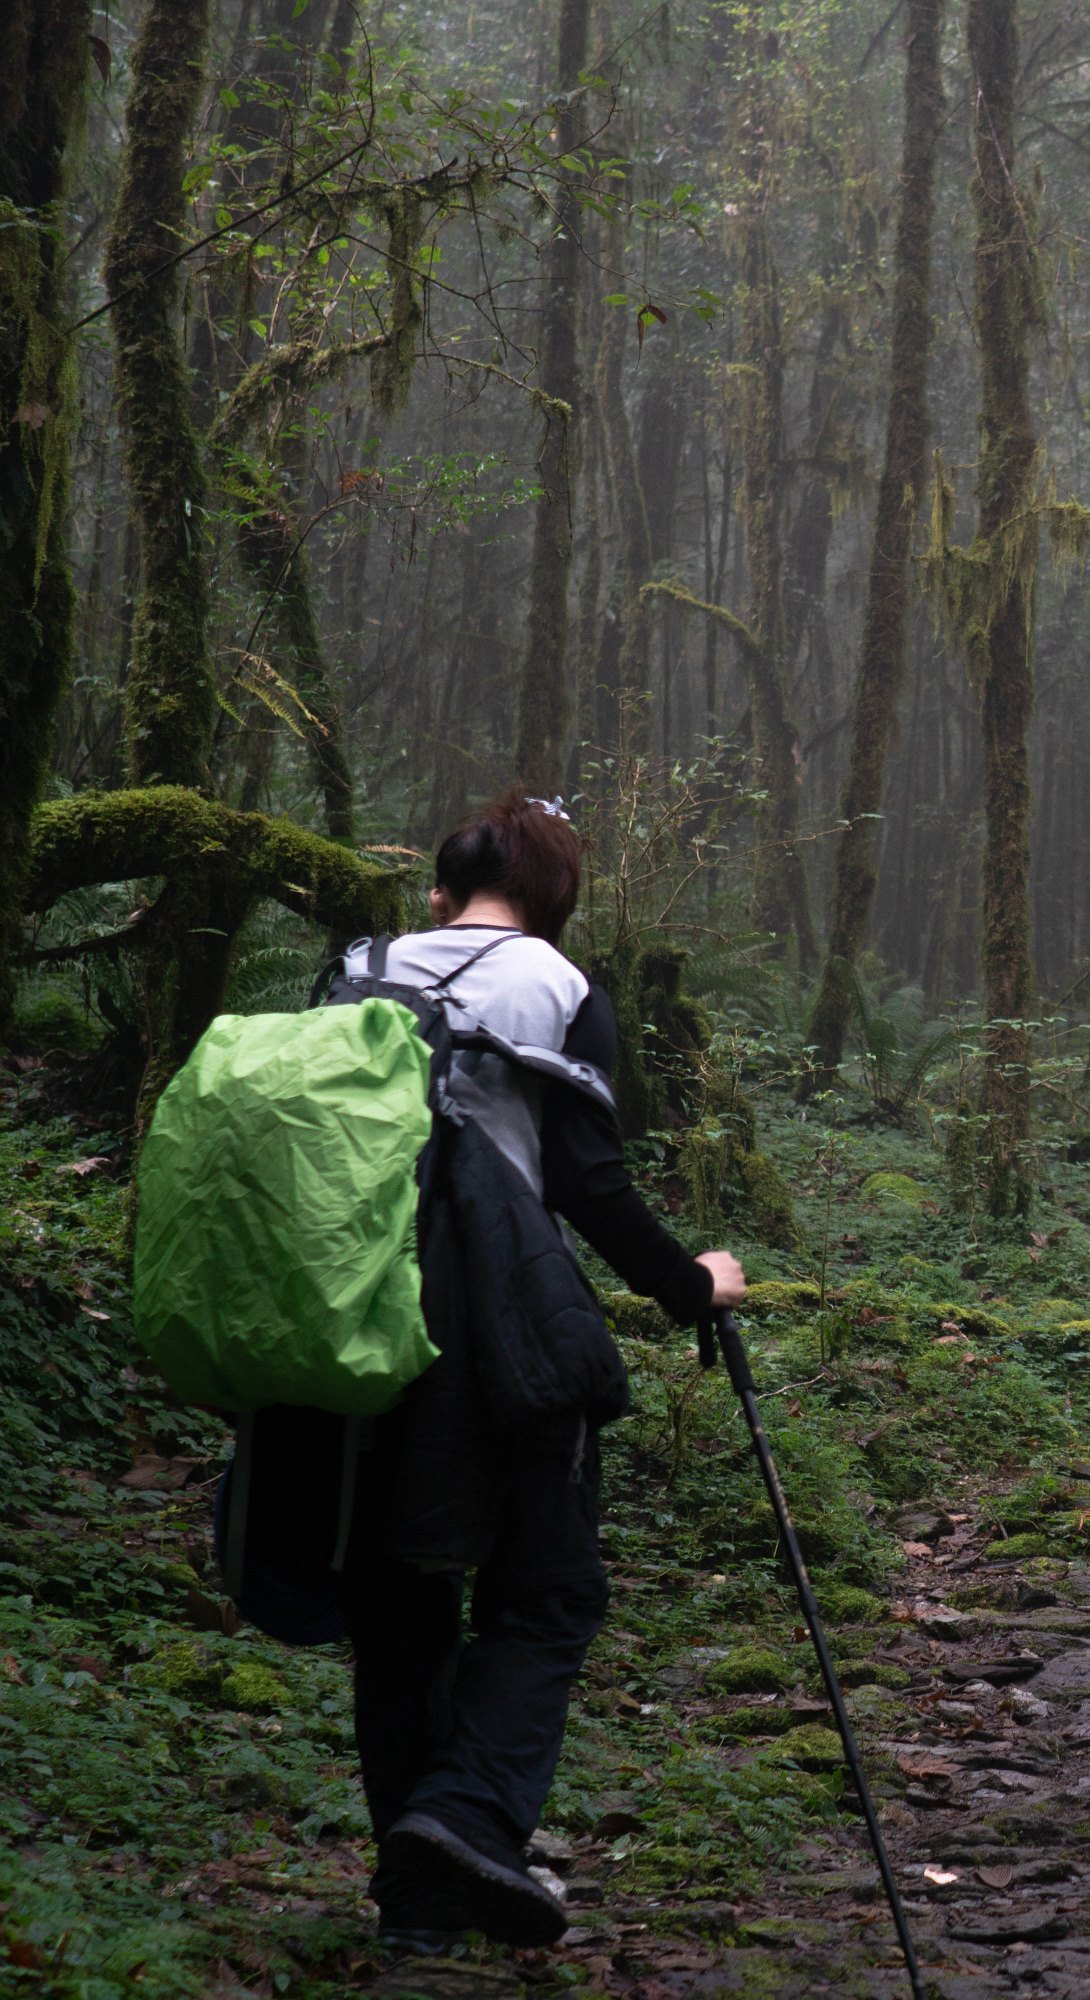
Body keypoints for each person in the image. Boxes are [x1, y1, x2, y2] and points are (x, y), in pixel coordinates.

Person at [340, 788, 746, 1952]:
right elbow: (587, 1182)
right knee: (549, 1586)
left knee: (402, 1603)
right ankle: (464, 1816)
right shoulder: (560, 990)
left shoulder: (359, 965)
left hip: (357, 1312)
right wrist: (693, 1283)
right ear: (556, 895)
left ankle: (418, 1896)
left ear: (444, 882)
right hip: (502, 1325)